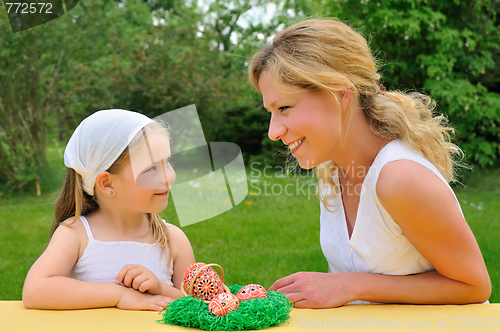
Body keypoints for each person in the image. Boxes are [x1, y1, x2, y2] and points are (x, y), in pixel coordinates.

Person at [248, 18, 491, 308]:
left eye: (284, 108)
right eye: (271, 112)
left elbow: (473, 286)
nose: (273, 131)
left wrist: (350, 286)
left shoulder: (399, 177)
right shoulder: (334, 171)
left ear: (339, 93)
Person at [23, 110, 195, 311]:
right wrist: (119, 294)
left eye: (167, 162)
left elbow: (200, 305)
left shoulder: (173, 240)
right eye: (151, 168)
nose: (168, 177)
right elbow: (35, 290)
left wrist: (161, 288)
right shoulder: (76, 234)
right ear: (107, 184)